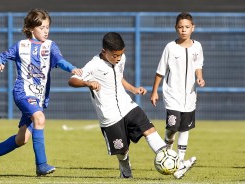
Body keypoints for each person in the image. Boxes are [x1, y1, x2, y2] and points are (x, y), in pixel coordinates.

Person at [0, 8, 82, 176]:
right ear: (31, 29)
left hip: (38, 97)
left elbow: (61, 61)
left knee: (21, 139)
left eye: (47, 27)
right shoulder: (20, 46)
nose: (46, 31)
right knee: (40, 118)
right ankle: (41, 165)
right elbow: (2, 56)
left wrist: (72, 68)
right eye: (42, 27)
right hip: (22, 92)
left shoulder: (50, 46)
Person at [68, 32, 168, 179]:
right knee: (122, 151)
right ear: (104, 51)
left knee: (149, 129)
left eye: (121, 54)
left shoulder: (121, 59)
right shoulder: (93, 65)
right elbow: (72, 80)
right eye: (115, 55)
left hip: (126, 105)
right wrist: (87, 83)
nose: (118, 58)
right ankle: (125, 170)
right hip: (109, 114)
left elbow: (119, 78)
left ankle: (173, 162)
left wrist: (133, 89)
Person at [150, 12, 205, 179]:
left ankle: (180, 163)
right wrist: (154, 92)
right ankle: (168, 148)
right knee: (173, 127)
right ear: (176, 28)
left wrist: (200, 77)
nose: (184, 30)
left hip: (190, 95)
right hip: (172, 94)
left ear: (192, 28)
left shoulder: (197, 46)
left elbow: (198, 65)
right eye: (180, 27)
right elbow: (160, 71)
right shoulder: (170, 47)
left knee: (185, 128)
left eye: (187, 27)